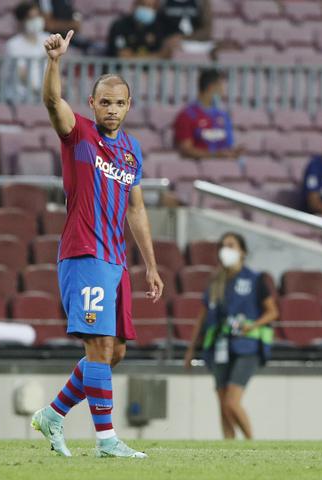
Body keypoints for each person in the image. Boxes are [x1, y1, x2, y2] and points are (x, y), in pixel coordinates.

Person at [31, 29, 163, 459]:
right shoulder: (79, 135)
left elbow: (136, 209)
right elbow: (53, 102)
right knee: (98, 347)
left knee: (116, 351)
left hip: (116, 260)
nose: (111, 108)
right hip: (84, 252)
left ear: (129, 106)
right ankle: (107, 440)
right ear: (92, 104)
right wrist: (54, 62)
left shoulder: (131, 151)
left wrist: (151, 264)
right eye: (104, 101)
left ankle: (53, 415)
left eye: (119, 102)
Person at [183, 232, 277, 440]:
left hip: (248, 346)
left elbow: (272, 311)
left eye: (231, 245)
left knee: (231, 401)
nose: (226, 250)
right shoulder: (215, 282)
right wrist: (191, 349)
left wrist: (252, 326)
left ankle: (251, 442)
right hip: (219, 346)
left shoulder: (255, 280)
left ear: (243, 251)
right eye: (223, 246)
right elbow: (203, 316)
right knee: (222, 401)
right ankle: (228, 444)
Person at [173, 68, 239, 160]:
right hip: (198, 170)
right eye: (220, 86)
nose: (222, 91)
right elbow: (186, 150)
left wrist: (234, 153)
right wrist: (216, 155)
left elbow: (228, 146)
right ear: (211, 87)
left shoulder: (223, 116)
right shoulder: (186, 116)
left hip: (223, 169)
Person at [6, 1, 50, 101]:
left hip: (44, 97)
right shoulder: (13, 45)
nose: (36, 20)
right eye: (31, 18)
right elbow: (21, 73)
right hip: (20, 97)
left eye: (38, 16)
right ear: (22, 21)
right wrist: (41, 89)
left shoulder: (47, 39)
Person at [106, 0, 174, 59]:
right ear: (135, 5)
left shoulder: (160, 27)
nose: (146, 9)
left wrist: (134, 57)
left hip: (152, 72)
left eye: (151, 6)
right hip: (120, 71)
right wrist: (154, 57)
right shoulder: (120, 26)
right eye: (143, 5)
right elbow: (124, 57)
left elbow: (165, 55)